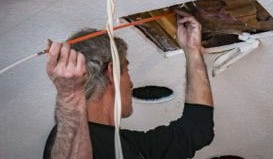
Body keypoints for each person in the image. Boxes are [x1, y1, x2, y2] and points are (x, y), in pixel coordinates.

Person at [43, 10, 214, 159]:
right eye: (127, 70)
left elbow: (197, 128)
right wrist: (70, 95)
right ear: (112, 72)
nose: (131, 83)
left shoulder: (131, 145)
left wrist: (193, 51)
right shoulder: (64, 139)